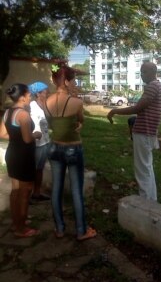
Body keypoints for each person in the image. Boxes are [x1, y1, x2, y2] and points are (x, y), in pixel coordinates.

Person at [44, 63, 96, 241]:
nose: (75, 84)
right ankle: (81, 231)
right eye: (73, 81)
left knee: (56, 189)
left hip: (54, 147)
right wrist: (78, 124)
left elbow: (52, 124)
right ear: (65, 81)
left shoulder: (46, 102)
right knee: (75, 189)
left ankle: (59, 228)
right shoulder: (77, 102)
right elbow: (80, 121)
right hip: (73, 148)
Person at [107, 62, 161, 201]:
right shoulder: (157, 86)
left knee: (142, 170)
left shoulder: (152, 86)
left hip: (145, 131)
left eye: (143, 72)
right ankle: (151, 200)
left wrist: (115, 111)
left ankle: (145, 202)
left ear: (152, 72)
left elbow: (137, 108)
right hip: (148, 131)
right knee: (146, 167)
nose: (141, 75)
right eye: (141, 72)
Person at [0, 83, 41, 237]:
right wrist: (36, 135)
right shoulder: (23, 115)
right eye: (29, 94)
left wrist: (17, 137)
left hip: (12, 154)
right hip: (24, 157)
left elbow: (2, 134)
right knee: (25, 192)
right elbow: (27, 139)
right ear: (23, 97)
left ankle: (16, 222)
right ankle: (21, 228)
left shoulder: (8, 112)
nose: (30, 96)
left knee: (15, 190)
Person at [28, 81, 50, 201]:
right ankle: (27, 194)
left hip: (45, 141)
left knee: (39, 169)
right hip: (36, 143)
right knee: (33, 169)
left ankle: (36, 193)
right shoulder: (31, 105)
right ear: (38, 93)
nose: (47, 93)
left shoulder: (43, 105)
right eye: (45, 91)